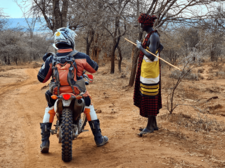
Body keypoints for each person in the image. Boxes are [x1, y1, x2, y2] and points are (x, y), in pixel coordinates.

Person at [37, 27, 108, 153]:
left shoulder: (51, 59)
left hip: (56, 94)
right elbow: (94, 69)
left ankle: (44, 142)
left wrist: (46, 63)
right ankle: (98, 138)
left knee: (49, 108)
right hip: (77, 93)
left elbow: (41, 79)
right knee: (88, 106)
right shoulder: (81, 56)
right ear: (70, 40)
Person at [134, 13, 164, 136]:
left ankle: (149, 127)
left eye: (141, 24)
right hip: (148, 71)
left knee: (150, 97)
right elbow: (160, 47)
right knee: (148, 96)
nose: (140, 26)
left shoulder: (153, 36)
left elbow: (151, 56)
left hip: (150, 74)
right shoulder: (151, 35)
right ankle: (154, 124)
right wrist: (156, 52)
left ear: (145, 24)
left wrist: (140, 47)